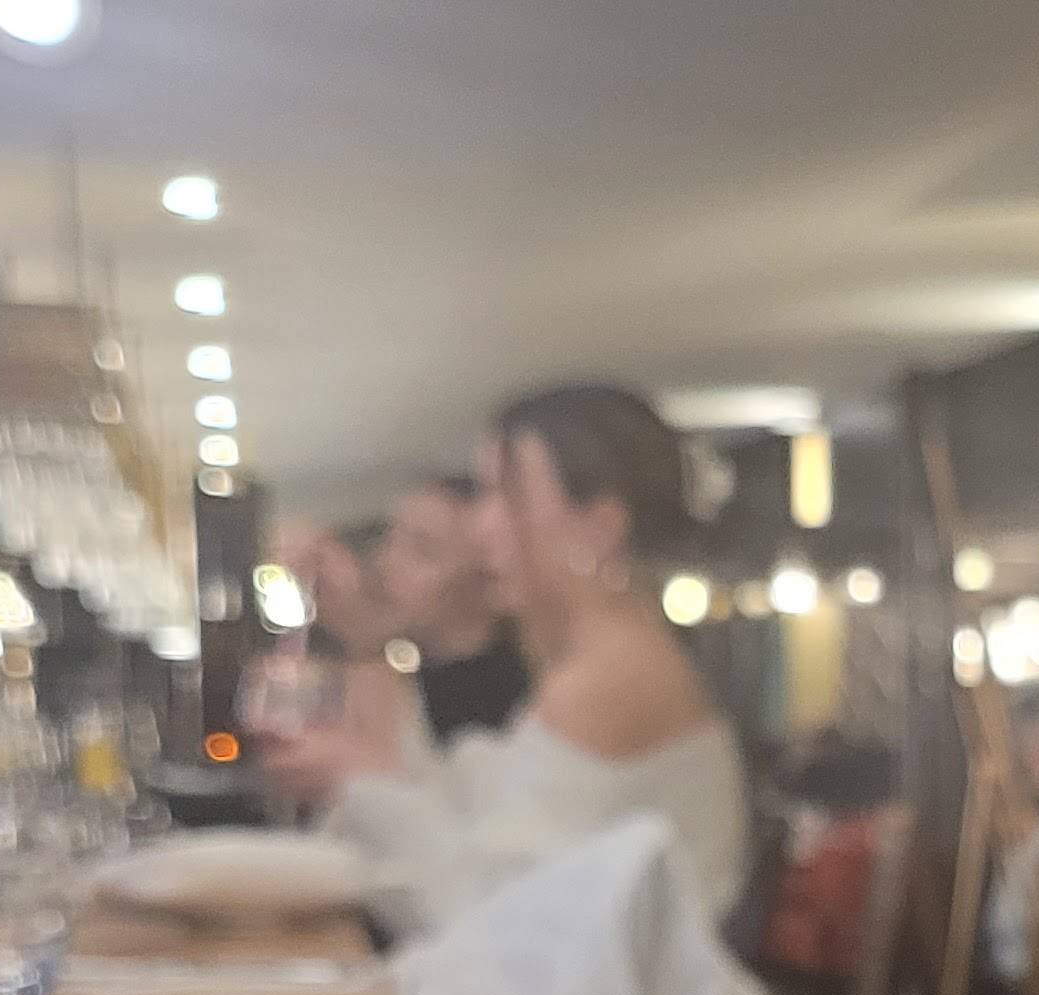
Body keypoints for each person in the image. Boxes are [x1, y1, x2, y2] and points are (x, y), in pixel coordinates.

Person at [275, 384, 746, 935]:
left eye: (507, 494)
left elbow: (495, 917)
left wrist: (363, 779)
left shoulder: (610, 681)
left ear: (599, 528)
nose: (483, 528)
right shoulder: (613, 662)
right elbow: (482, 831)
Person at [372, 478, 532, 741]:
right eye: (389, 539)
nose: (384, 562)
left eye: (422, 550)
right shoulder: (406, 683)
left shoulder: (517, 711)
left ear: (488, 581)